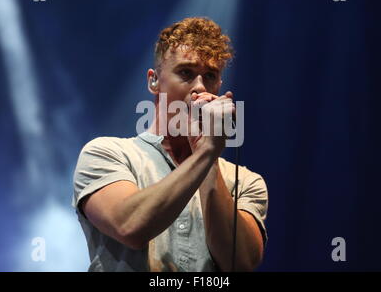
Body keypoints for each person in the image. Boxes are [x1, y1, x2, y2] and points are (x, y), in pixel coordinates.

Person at [72, 17, 268, 272]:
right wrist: (206, 152)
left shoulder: (245, 181)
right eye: (186, 72)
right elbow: (130, 227)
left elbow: (240, 263)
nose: (199, 87)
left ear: (219, 85)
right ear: (154, 81)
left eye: (210, 75)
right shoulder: (107, 154)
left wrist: (206, 159)